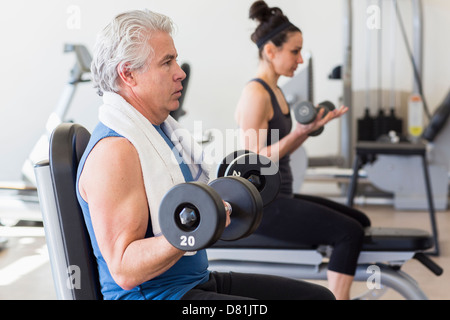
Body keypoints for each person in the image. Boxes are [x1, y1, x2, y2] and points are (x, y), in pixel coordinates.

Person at [76, 8, 334, 300]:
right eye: (167, 62)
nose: (180, 72)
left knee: (317, 299)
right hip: (157, 296)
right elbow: (125, 269)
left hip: (194, 281)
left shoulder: (160, 132)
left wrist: (222, 203)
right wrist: (202, 223)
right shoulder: (116, 150)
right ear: (128, 73)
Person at [234, 1, 372, 300]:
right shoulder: (255, 94)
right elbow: (254, 162)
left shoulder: (277, 91)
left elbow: (282, 150)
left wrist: (307, 130)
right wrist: (300, 130)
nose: (300, 59)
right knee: (349, 232)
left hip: (282, 195)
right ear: (271, 51)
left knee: (360, 221)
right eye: (294, 51)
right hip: (264, 206)